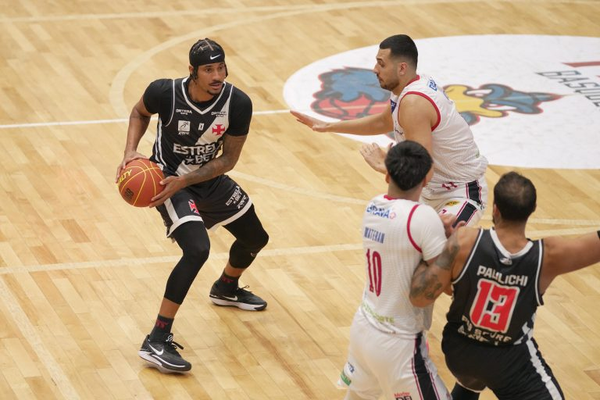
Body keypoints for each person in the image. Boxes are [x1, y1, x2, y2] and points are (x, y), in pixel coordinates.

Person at [116, 38, 270, 373]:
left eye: (221, 67)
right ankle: (157, 338)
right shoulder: (165, 92)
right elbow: (138, 112)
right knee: (197, 249)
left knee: (256, 238)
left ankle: (226, 287)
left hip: (205, 179)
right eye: (209, 69)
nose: (217, 75)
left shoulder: (238, 103)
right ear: (192, 72)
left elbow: (229, 159)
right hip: (168, 182)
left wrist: (190, 179)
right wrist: (130, 151)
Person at [409, 171, 600, 399]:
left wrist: (434, 252)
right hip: (507, 360)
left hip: (459, 350)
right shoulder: (548, 256)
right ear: (532, 210)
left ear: (495, 209)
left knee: (473, 376)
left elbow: (420, 297)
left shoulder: (464, 241)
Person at [291, 34, 488, 227]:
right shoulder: (406, 89)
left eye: (381, 64)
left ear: (402, 68)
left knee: (441, 249)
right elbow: (382, 122)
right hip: (429, 192)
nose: (375, 69)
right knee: (407, 249)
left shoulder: (414, 102)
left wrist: (385, 166)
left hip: (459, 191)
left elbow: (423, 172)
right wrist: (328, 126)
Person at [339, 140, 452, 400]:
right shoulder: (423, 218)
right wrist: (452, 245)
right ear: (426, 180)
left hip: (364, 328)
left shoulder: (374, 205)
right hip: (398, 341)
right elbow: (446, 284)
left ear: (387, 173)